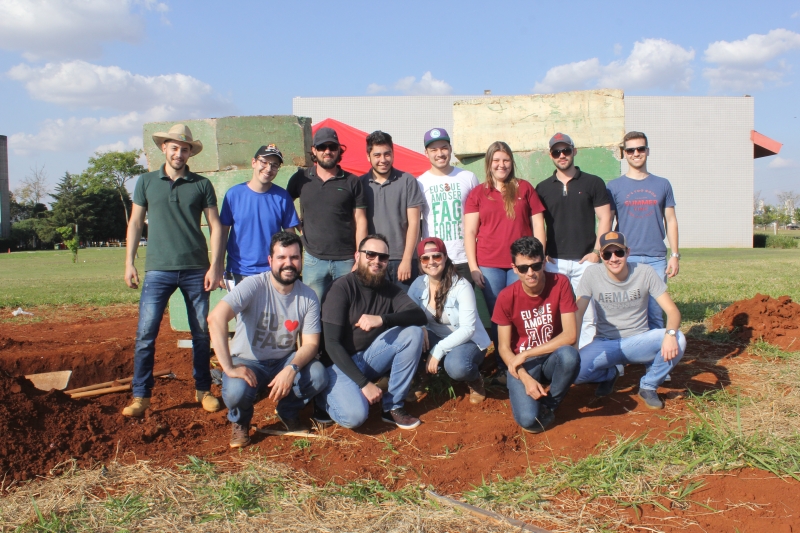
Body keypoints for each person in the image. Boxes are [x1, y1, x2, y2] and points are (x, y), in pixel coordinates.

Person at [123, 124, 224, 417]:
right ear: (164, 148)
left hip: (196, 269)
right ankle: (141, 396)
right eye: (174, 148)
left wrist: (216, 265)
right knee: (146, 334)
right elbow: (135, 223)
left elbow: (216, 226)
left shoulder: (201, 184)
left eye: (185, 149)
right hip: (158, 269)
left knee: (201, 333)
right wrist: (129, 262)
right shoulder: (145, 182)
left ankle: (203, 390)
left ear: (191, 152)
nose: (179, 153)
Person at [208, 232, 328, 448]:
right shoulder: (253, 285)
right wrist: (228, 367)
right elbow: (216, 318)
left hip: (283, 360)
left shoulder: (308, 296)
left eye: (294, 257)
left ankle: (287, 410)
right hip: (248, 361)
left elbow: (311, 344)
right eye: (281, 257)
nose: (288, 263)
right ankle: (240, 421)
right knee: (236, 392)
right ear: (270, 260)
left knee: (318, 375)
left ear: (301, 260)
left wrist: (291, 369)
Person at [317, 234, 427, 430]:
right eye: (370, 254)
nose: (376, 261)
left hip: (368, 358)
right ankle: (322, 399)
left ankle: (393, 406)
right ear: (357, 256)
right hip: (337, 364)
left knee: (413, 333)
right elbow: (331, 344)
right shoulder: (340, 288)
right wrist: (364, 384)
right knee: (355, 417)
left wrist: (382, 319)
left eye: (382, 257)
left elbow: (418, 316)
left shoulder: (389, 289)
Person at [573, 231, 686, 409]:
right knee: (573, 372)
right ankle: (610, 373)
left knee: (679, 339)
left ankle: (648, 385)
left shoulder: (644, 272)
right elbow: (578, 313)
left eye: (619, 252)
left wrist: (670, 335)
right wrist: (574, 346)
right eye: (607, 254)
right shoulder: (592, 274)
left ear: (628, 252)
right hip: (605, 342)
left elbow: (673, 311)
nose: (613, 259)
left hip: (639, 341)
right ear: (601, 255)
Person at [492, 236, 580, 433]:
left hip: (550, 356)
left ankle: (550, 404)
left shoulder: (560, 283)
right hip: (523, 364)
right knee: (528, 421)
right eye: (523, 268)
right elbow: (504, 348)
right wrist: (524, 376)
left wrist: (526, 353)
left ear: (544, 263)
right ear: (514, 268)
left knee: (570, 356)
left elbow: (570, 335)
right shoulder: (506, 297)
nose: (530, 273)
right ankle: (533, 395)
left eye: (536, 266)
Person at [464, 141, 547, 350]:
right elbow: (470, 232)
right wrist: (473, 267)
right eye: (496, 160)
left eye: (506, 160)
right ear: (489, 163)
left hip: (522, 263)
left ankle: (525, 355)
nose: (501, 165)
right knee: (498, 314)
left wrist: (539, 259)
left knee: (521, 311)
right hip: (489, 264)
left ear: (512, 162)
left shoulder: (525, 188)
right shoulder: (477, 193)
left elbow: (538, 225)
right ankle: (503, 361)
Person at [535, 132, 613, 348]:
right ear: (550, 155)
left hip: (585, 261)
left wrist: (596, 252)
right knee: (553, 314)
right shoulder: (542, 188)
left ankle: (585, 358)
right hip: (553, 263)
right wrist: (542, 254)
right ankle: (557, 357)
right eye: (556, 152)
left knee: (588, 316)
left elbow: (605, 217)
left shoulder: (593, 182)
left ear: (574, 151)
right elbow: (538, 225)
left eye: (566, 150)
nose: (562, 155)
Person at [607, 131, 680, 329]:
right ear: (624, 153)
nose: (636, 153)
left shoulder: (662, 184)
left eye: (640, 149)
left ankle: (658, 348)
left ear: (647, 151)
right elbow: (607, 222)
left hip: (656, 258)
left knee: (655, 313)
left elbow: (671, 220)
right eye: (631, 150)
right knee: (627, 312)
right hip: (626, 257)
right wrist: (606, 254)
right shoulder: (613, 186)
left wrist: (674, 255)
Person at [408, 237, 492, 404]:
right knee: (409, 337)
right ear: (420, 262)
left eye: (436, 256)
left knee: (457, 367)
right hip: (435, 337)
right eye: (425, 258)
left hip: (468, 341)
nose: (431, 262)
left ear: (445, 257)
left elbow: (468, 329)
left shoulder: (461, 286)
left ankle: (475, 379)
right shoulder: (418, 284)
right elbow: (407, 314)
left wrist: (438, 350)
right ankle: (423, 377)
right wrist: (421, 327)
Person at [287, 127, 367, 300]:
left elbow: (360, 220)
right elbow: (284, 204)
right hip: (313, 259)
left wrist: (360, 255)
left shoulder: (352, 181)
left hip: (347, 260)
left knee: (347, 307)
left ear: (339, 150)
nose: (327, 151)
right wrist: (298, 226)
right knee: (312, 308)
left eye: (332, 147)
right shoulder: (301, 178)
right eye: (322, 147)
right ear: (314, 150)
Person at [219, 144, 300, 285]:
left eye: (274, 165)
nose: (268, 169)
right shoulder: (234, 195)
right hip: (238, 272)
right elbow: (222, 234)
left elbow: (290, 238)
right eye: (264, 162)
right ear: (254, 162)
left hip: (272, 273)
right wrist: (218, 267)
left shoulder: (282, 197)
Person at [359, 131, 425, 291]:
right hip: (373, 259)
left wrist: (407, 259)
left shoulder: (408, 181)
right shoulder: (360, 184)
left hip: (402, 260)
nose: (383, 160)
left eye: (387, 154)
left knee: (404, 306)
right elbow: (359, 223)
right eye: (377, 155)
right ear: (368, 156)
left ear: (393, 153)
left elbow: (414, 223)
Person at [417, 128, 479, 283]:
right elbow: (415, 223)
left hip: (465, 257)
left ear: (450, 149)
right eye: (434, 150)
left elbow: (479, 218)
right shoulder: (420, 183)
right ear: (426, 153)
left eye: (444, 148)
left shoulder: (469, 177)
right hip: (434, 259)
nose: (440, 153)